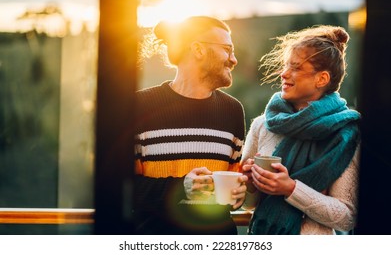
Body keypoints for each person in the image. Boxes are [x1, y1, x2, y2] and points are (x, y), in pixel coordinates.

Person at [241, 25, 361, 235]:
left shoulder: (346, 134)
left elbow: (347, 217)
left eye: (295, 68)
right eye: (286, 66)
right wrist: (251, 184)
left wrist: (290, 188)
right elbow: (248, 204)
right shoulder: (263, 125)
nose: (284, 74)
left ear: (321, 79)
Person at [133, 16, 248, 235]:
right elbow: (123, 189)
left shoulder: (233, 110)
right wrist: (181, 188)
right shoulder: (140, 105)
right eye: (227, 49)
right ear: (198, 49)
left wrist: (238, 194)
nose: (233, 60)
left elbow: (231, 185)